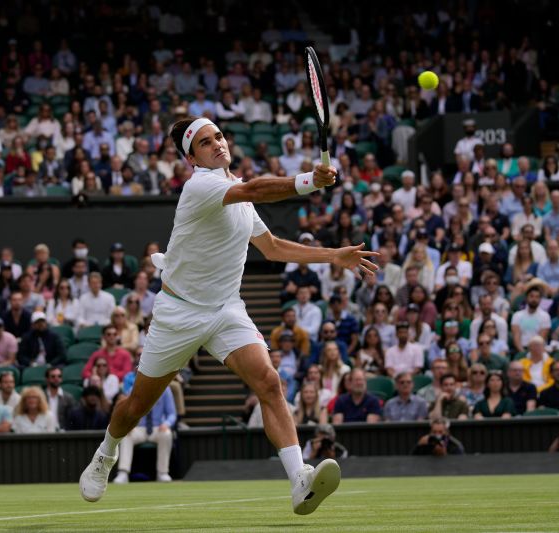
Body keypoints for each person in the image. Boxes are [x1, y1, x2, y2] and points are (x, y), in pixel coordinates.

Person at [79, 117, 377, 515]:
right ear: (191, 157)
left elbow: (271, 248)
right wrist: (308, 182)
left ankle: (298, 480)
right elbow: (255, 188)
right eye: (205, 142)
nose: (217, 144)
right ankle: (106, 452)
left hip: (225, 309)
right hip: (178, 313)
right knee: (137, 406)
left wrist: (332, 256)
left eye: (218, 136)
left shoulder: (237, 194)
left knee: (269, 383)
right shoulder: (201, 186)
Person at [113, 385, 177, 484]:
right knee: (126, 435)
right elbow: (127, 411)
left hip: (158, 428)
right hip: (138, 428)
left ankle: (162, 473)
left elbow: (172, 414)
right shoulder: (133, 389)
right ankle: (123, 473)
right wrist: (128, 425)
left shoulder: (165, 389)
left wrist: (166, 424)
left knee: (167, 434)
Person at [45, 366, 75, 430]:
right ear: (47, 379)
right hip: (44, 431)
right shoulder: (42, 397)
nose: (56, 379)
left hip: (62, 433)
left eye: (59, 376)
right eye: (53, 376)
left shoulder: (68, 398)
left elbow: (71, 420)